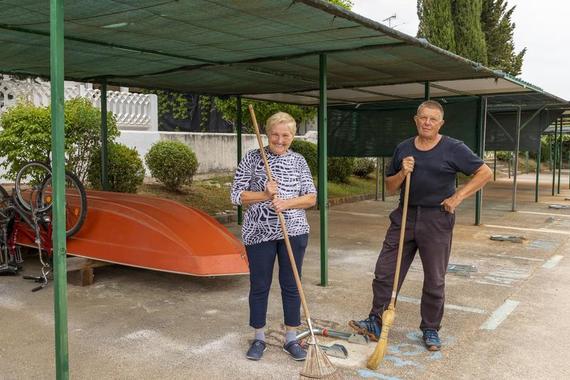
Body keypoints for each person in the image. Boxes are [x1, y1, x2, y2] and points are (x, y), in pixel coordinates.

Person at [349, 100, 492, 351]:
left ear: (441, 123)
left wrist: (457, 197)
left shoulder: (454, 148)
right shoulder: (403, 148)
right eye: (423, 118)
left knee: (434, 278)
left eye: (432, 119)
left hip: (437, 218)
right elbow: (390, 186)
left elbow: (485, 173)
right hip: (405, 214)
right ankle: (376, 320)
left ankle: (430, 328)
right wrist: (403, 172)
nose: (427, 123)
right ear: (416, 120)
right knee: (385, 271)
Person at [231, 111, 317, 361]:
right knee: (260, 285)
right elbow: (236, 195)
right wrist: (264, 195)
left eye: (285, 135)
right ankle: (259, 337)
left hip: (294, 231)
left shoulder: (299, 160)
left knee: (292, 285)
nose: (280, 140)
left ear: (293, 136)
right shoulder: (252, 158)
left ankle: (292, 338)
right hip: (258, 232)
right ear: (267, 134)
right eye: (275, 135)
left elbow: (311, 197)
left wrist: (287, 203)